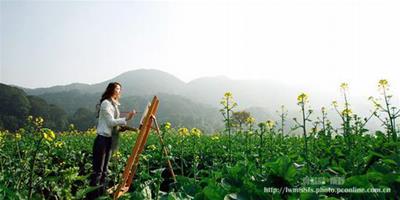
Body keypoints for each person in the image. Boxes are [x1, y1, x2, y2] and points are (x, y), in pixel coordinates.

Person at [88, 82, 136, 199]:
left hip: (108, 139)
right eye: (117, 89)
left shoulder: (114, 105)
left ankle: (102, 195)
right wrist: (126, 118)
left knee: (105, 170)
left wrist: (121, 128)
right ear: (111, 90)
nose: (119, 91)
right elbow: (110, 122)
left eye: (120, 89)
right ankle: (93, 196)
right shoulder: (106, 103)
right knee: (98, 171)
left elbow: (113, 125)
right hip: (102, 140)